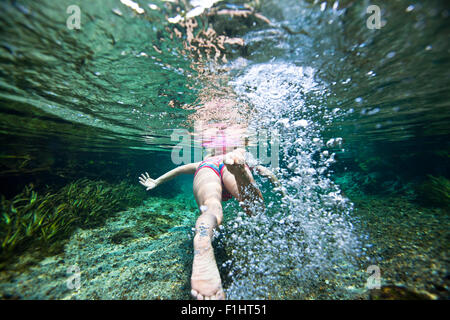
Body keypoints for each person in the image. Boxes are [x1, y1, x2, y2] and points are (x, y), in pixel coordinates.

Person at [138, 148, 282, 300]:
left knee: (211, 208)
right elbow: (269, 174)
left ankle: (203, 239)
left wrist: (157, 181)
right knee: (255, 209)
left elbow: (179, 170)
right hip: (232, 164)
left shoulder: (203, 161)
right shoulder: (234, 156)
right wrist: (282, 191)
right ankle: (240, 173)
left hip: (207, 168)